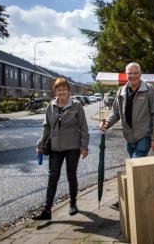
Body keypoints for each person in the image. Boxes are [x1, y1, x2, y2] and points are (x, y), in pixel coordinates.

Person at [99, 62, 154, 210]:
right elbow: (115, 112)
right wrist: (107, 123)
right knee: (136, 170)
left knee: (132, 168)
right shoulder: (121, 91)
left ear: (140, 74)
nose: (132, 76)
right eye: (130, 73)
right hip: (129, 138)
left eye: (135, 73)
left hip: (144, 137)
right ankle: (142, 197)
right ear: (126, 75)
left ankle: (123, 201)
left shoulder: (150, 90)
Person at [33, 78, 90, 220]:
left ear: (68, 90)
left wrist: (84, 146)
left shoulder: (76, 105)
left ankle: (73, 204)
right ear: (55, 91)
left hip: (72, 147)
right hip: (55, 148)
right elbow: (46, 126)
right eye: (59, 89)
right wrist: (40, 144)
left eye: (64, 89)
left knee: (71, 175)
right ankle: (47, 210)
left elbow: (83, 127)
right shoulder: (50, 106)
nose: (62, 91)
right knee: (53, 177)